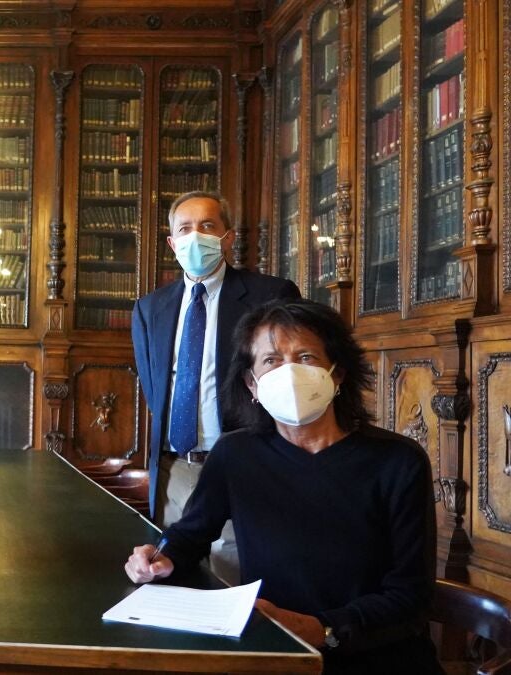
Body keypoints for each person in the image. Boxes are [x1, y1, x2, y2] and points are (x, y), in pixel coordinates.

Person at [125, 298, 441, 674]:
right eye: (271, 360)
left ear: (338, 374)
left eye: (306, 357)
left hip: (376, 657)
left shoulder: (398, 461)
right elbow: (190, 536)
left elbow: (412, 595)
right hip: (274, 650)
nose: (289, 372)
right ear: (251, 384)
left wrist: (321, 629)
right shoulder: (235, 454)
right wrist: (161, 558)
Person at [130, 191, 299, 582]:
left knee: (231, 581)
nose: (196, 236)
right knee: (171, 576)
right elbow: (154, 388)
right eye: (185, 228)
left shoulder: (270, 296)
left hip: (242, 467)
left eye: (207, 226)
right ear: (172, 242)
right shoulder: (150, 308)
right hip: (174, 469)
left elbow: (284, 379)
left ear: (227, 236)